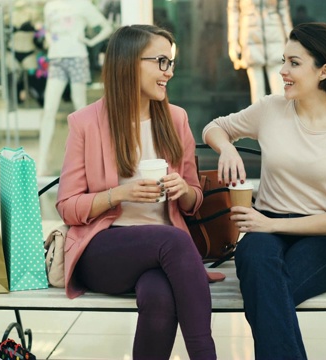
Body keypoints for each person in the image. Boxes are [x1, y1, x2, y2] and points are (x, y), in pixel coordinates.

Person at [203, 22, 326, 359]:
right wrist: (229, 148)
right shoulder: (270, 109)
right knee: (260, 269)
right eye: (284, 61)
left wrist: (271, 225)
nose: (282, 71)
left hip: (324, 240)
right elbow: (214, 128)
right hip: (264, 228)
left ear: (324, 70)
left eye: (294, 63)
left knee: (265, 291)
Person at [56, 24, 217, 360]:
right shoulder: (85, 122)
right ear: (129, 63)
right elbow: (68, 207)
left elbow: (194, 201)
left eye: (171, 63)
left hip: (162, 255)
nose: (169, 72)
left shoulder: (176, 119)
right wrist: (119, 194)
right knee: (171, 240)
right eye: (161, 61)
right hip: (103, 249)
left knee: (160, 297)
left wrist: (183, 188)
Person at [38, 0, 113, 175]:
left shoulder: (83, 5)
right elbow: (47, 30)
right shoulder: (50, 6)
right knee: (49, 109)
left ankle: (90, 162)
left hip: (77, 57)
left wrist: (90, 41)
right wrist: (50, 40)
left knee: (80, 109)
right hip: (56, 59)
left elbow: (107, 27)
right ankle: (41, 163)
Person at [227, 0, 292, 104]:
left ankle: (281, 119)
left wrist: (290, 39)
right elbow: (233, 11)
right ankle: (259, 119)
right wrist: (233, 42)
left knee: (279, 89)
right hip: (250, 35)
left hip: (275, 33)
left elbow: (283, 10)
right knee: (257, 90)